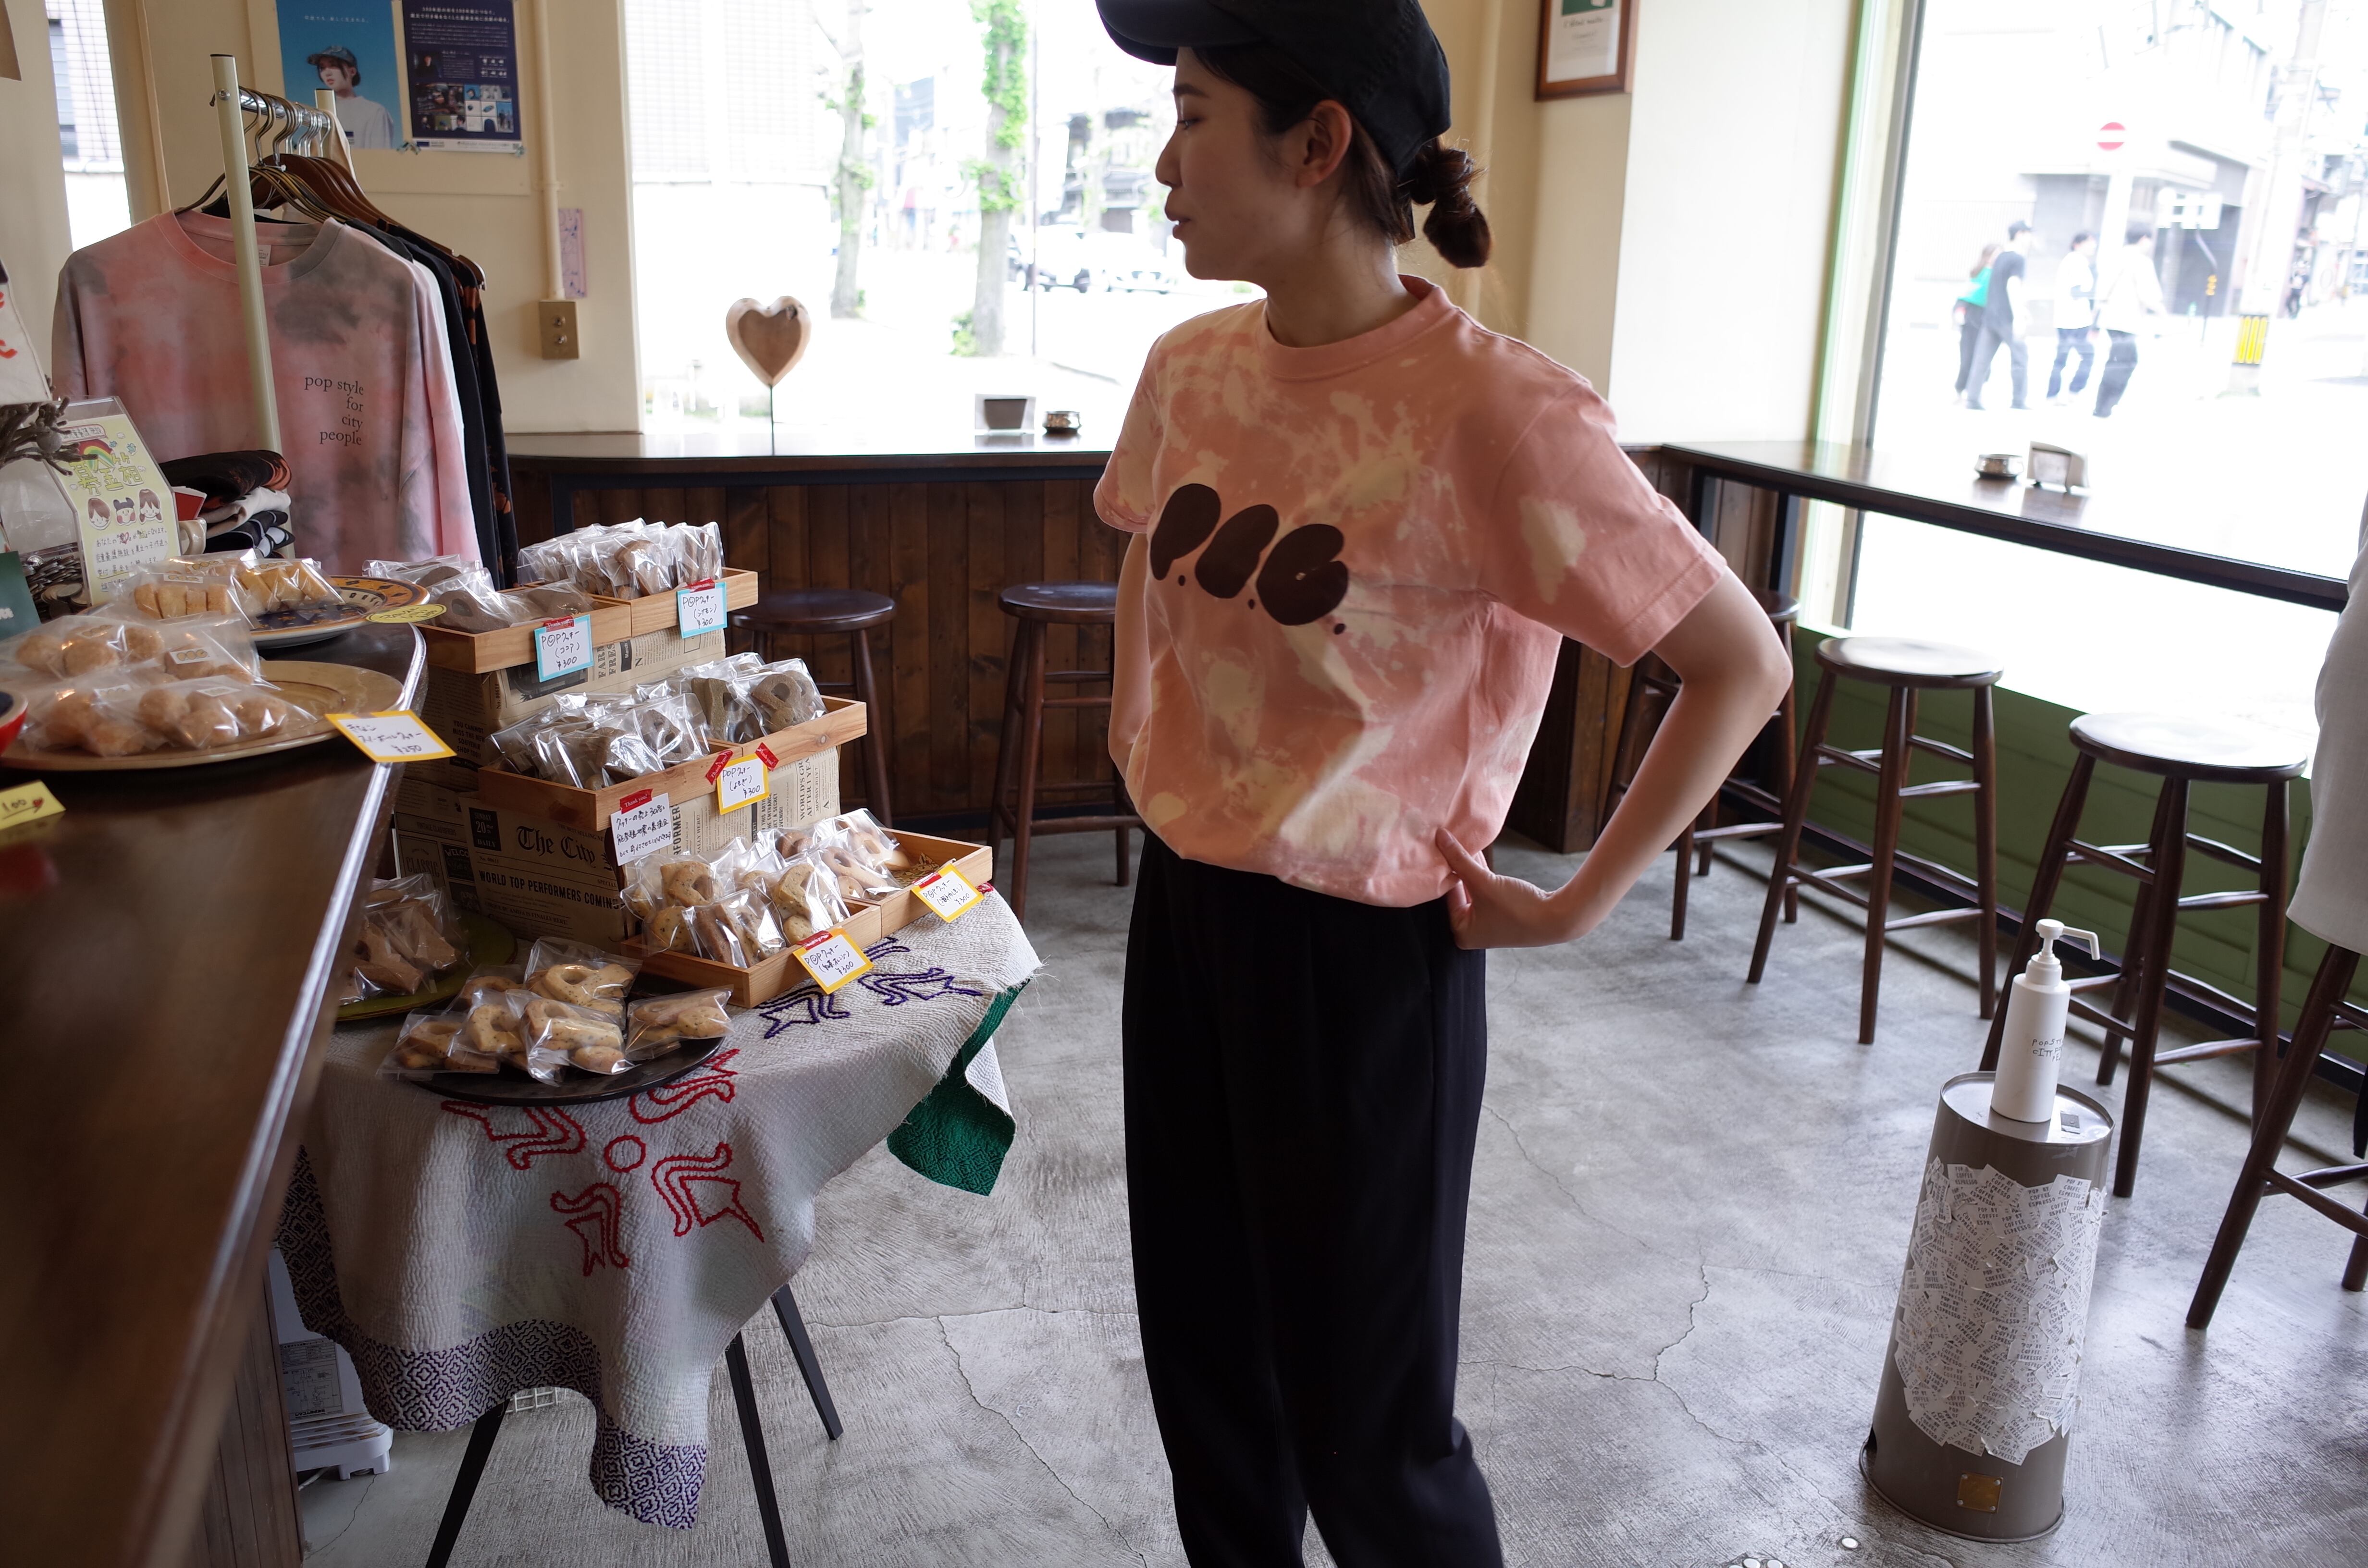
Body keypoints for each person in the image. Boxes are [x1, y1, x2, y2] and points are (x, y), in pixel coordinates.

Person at [1091, 2, 1795, 1562]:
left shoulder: (1495, 414)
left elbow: (1738, 662)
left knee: (1371, 1436)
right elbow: (1147, 561)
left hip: (1361, 967)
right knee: (1210, 1382)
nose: (1163, 164)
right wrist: (1146, 749)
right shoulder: (1187, 370)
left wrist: (1579, 901)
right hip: (1185, 923)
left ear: (1317, 143)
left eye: (1193, 115)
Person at [2092, 225, 2165, 418]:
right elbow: (2148, 296)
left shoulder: (2114, 257)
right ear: (2144, 239)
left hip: (2110, 318)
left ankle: (2103, 406)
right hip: (2127, 320)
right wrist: (2164, 316)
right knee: (2124, 362)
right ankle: (2104, 407)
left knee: (2118, 361)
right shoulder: (2141, 262)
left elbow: (2101, 290)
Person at [1965, 219, 2031, 410]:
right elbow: (2013, 286)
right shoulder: (2018, 259)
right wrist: (2019, 316)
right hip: (2007, 318)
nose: (2030, 238)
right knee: (2020, 357)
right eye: (2028, 234)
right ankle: (2018, 400)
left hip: (1991, 317)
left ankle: (1972, 398)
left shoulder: (2000, 257)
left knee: (1982, 359)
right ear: (2020, 234)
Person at [308, 46, 399, 150]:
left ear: (352, 72)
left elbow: (381, 156)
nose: (327, 73)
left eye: (333, 66)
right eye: (322, 68)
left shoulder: (375, 111)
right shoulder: (321, 116)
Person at [2046, 231, 2097, 403]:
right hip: (2075, 319)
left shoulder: (2074, 261)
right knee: (2086, 356)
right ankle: (2072, 392)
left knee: (2062, 358)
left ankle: (2054, 395)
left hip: (2068, 318)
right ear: (2077, 244)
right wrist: (2099, 296)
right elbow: (2076, 292)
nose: (2093, 245)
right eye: (2089, 242)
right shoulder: (2077, 261)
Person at [1953, 242, 2000, 400]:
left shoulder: (1995, 274)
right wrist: (1960, 310)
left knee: (1982, 358)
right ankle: (1962, 390)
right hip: (1973, 318)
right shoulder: (1981, 273)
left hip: (1987, 319)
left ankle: (1973, 392)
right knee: (1968, 357)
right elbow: (1966, 295)